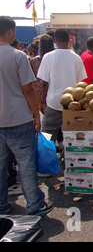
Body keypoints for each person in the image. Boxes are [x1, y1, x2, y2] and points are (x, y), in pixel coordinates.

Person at [0, 16, 53, 215]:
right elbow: (28, 89)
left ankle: (1, 206)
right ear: (12, 32)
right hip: (18, 120)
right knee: (26, 164)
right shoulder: (17, 56)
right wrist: (37, 115)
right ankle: (34, 204)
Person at [37, 28, 87, 149]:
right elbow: (81, 83)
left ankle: (47, 163)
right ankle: (70, 161)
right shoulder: (76, 58)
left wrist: (42, 102)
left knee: (47, 138)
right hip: (72, 105)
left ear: (55, 40)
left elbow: (44, 83)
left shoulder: (48, 57)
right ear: (69, 40)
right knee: (73, 137)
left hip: (53, 103)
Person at [30, 34, 55, 114]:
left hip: (39, 97)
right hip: (53, 96)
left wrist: (39, 101)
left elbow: (32, 82)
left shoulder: (34, 61)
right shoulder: (55, 60)